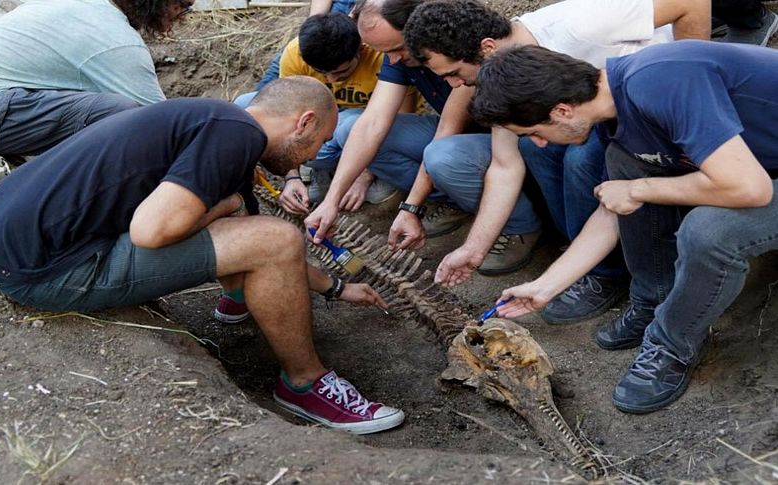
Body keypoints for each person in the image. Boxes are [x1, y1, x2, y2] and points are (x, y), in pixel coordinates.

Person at [0, 76, 404, 434]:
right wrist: (223, 209)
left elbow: (248, 232)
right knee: (272, 237)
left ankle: (238, 299)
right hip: (46, 270)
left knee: (250, 225)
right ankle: (304, 385)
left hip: (13, 241)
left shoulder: (215, 120)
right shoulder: (236, 137)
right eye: (322, 141)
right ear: (304, 122)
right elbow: (151, 231)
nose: (315, 155)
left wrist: (335, 287)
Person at [470, 42, 778, 413]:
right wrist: (543, 287)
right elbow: (611, 210)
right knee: (625, 163)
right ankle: (654, 300)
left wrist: (639, 188)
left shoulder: (661, 80)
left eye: (533, 131)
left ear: (562, 111)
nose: (537, 142)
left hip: (755, 177)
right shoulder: (613, 109)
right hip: (757, 163)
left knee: (709, 232)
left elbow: (749, 188)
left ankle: (673, 343)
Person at [403, 0, 710, 324]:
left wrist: (695, 97)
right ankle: (587, 256)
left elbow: (690, 3)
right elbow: (505, 166)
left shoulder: (577, 25)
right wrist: (474, 249)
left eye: (454, 73)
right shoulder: (503, 81)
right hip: (603, 122)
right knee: (538, 149)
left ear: (488, 47)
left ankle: (606, 273)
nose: (454, 85)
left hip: (652, 107)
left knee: (580, 158)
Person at [306, 0, 543, 276]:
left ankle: (521, 225)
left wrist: (411, 206)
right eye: (384, 53)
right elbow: (372, 123)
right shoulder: (398, 56)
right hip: (462, 141)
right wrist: (331, 201)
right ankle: (458, 199)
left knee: (442, 156)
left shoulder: (462, 51)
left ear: (419, 31)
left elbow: (447, 131)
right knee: (351, 129)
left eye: (396, 49)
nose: (392, 59)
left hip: (506, 142)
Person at [235, 13, 402, 214]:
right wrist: (292, 176)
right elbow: (285, 113)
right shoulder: (296, 52)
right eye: (322, 73)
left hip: (364, 126)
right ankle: (320, 168)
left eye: (341, 72)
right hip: (325, 123)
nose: (331, 80)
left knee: (348, 130)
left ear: (360, 50)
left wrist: (363, 176)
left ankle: (372, 169)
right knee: (245, 104)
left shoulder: (381, 56)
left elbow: (396, 121)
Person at [0, 0, 185, 159]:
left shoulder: (79, 7)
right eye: (183, 5)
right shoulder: (113, 37)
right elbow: (163, 125)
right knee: (121, 113)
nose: (182, 15)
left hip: (3, 102)